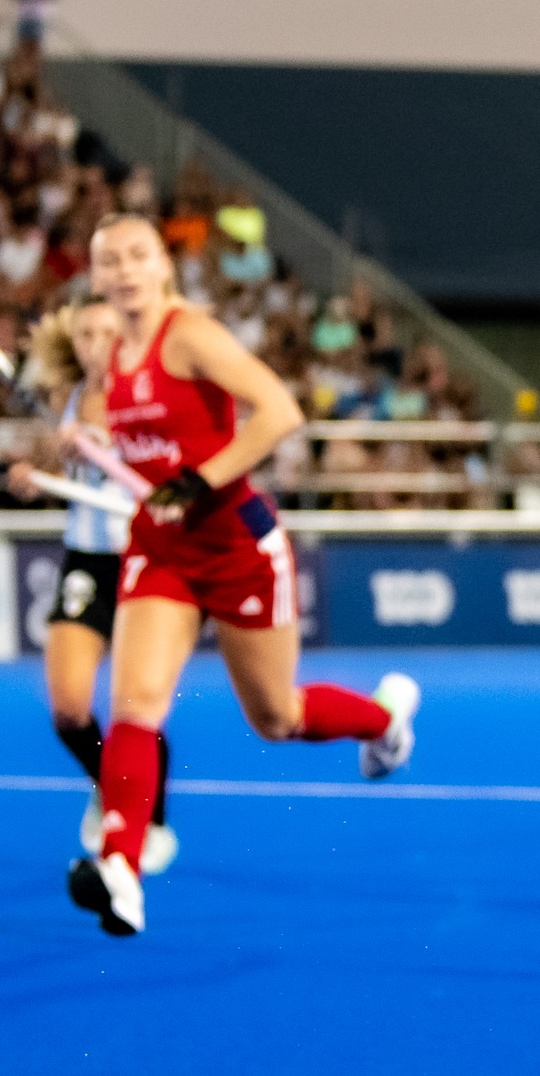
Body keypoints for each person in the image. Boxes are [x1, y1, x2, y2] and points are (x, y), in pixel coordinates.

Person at [69, 215, 420, 937]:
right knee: (135, 705)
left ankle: (384, 720)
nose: (126, 270)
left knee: (276, 717)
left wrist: (196, 481)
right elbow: (134, 441)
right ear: (98, 278)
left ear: (162, 265)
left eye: (139, 255)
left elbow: (279, 412)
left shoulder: (189, 334)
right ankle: (122, 867)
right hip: (160, 547)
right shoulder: (113, 354)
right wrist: (80, 446)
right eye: (112, 261)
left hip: (237, 543)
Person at [7, 295, 178, 875]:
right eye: (84, 335)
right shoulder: (70, 401)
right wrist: (37, 475)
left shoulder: (152, 394)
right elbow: (59, 472)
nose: (95, 345)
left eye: (106, 332)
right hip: (86, 559)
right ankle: (109, 785)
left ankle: (148, 820)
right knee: (69, 709)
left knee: (136, 707)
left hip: (143, 559)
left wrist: (106, 451)